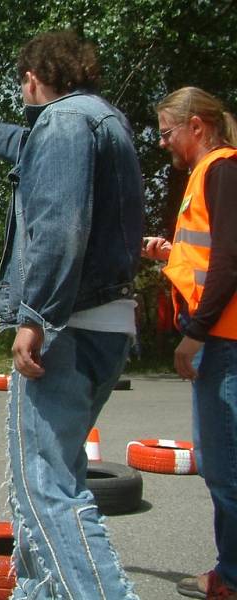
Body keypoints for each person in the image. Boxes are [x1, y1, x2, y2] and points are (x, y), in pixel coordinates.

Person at [0, 30, 144, 599]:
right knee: (50, 479)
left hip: (68, 325)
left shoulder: (64, 123)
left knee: (46, 486)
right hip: (107, 322)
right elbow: (14, 142)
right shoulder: (105, 121)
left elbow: (59, 226)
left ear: (32, 77)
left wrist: (36, 318)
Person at [142, 86, 237, 600]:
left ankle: (233, 577)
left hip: (223, 343)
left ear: (196, 126)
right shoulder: (209, 174)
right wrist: (170, 255)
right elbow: (207, 258)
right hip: (221, 341)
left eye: (166, 132)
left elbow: (229, 263)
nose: (163, 143)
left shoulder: (222, 169)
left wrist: (193, 335)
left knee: (225, 471)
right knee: (224, 468)